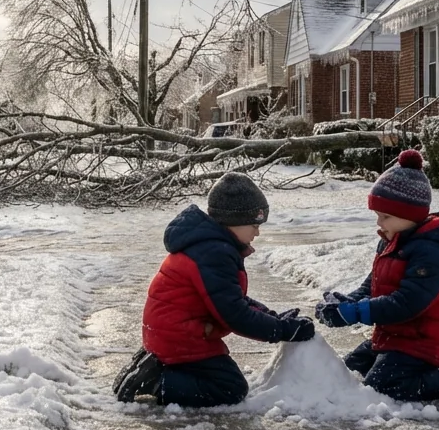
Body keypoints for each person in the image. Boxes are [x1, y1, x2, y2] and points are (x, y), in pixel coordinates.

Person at [113, 172, 316, 406]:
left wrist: (273, 318)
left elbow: (232, 299)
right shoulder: (214, 253)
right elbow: (235, 315)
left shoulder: (209, 245)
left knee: (224, 379)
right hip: (181, 337)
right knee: (230, 389)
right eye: (254, 224)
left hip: (175, 332)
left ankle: (156, 365)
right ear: (234, 221)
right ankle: (156, 380)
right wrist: (281, 330)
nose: (257, 232)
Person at [315, 149, 439, 401]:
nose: (379, 223)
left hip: (423, 342)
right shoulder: (391, 241)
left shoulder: (431, 253)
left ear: (409, 215)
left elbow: (407, 303)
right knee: (347, 371)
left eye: (385, 216)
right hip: (393, 336)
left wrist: (357, 313)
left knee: (381, 386)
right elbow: (372, 286)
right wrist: (344, 302)